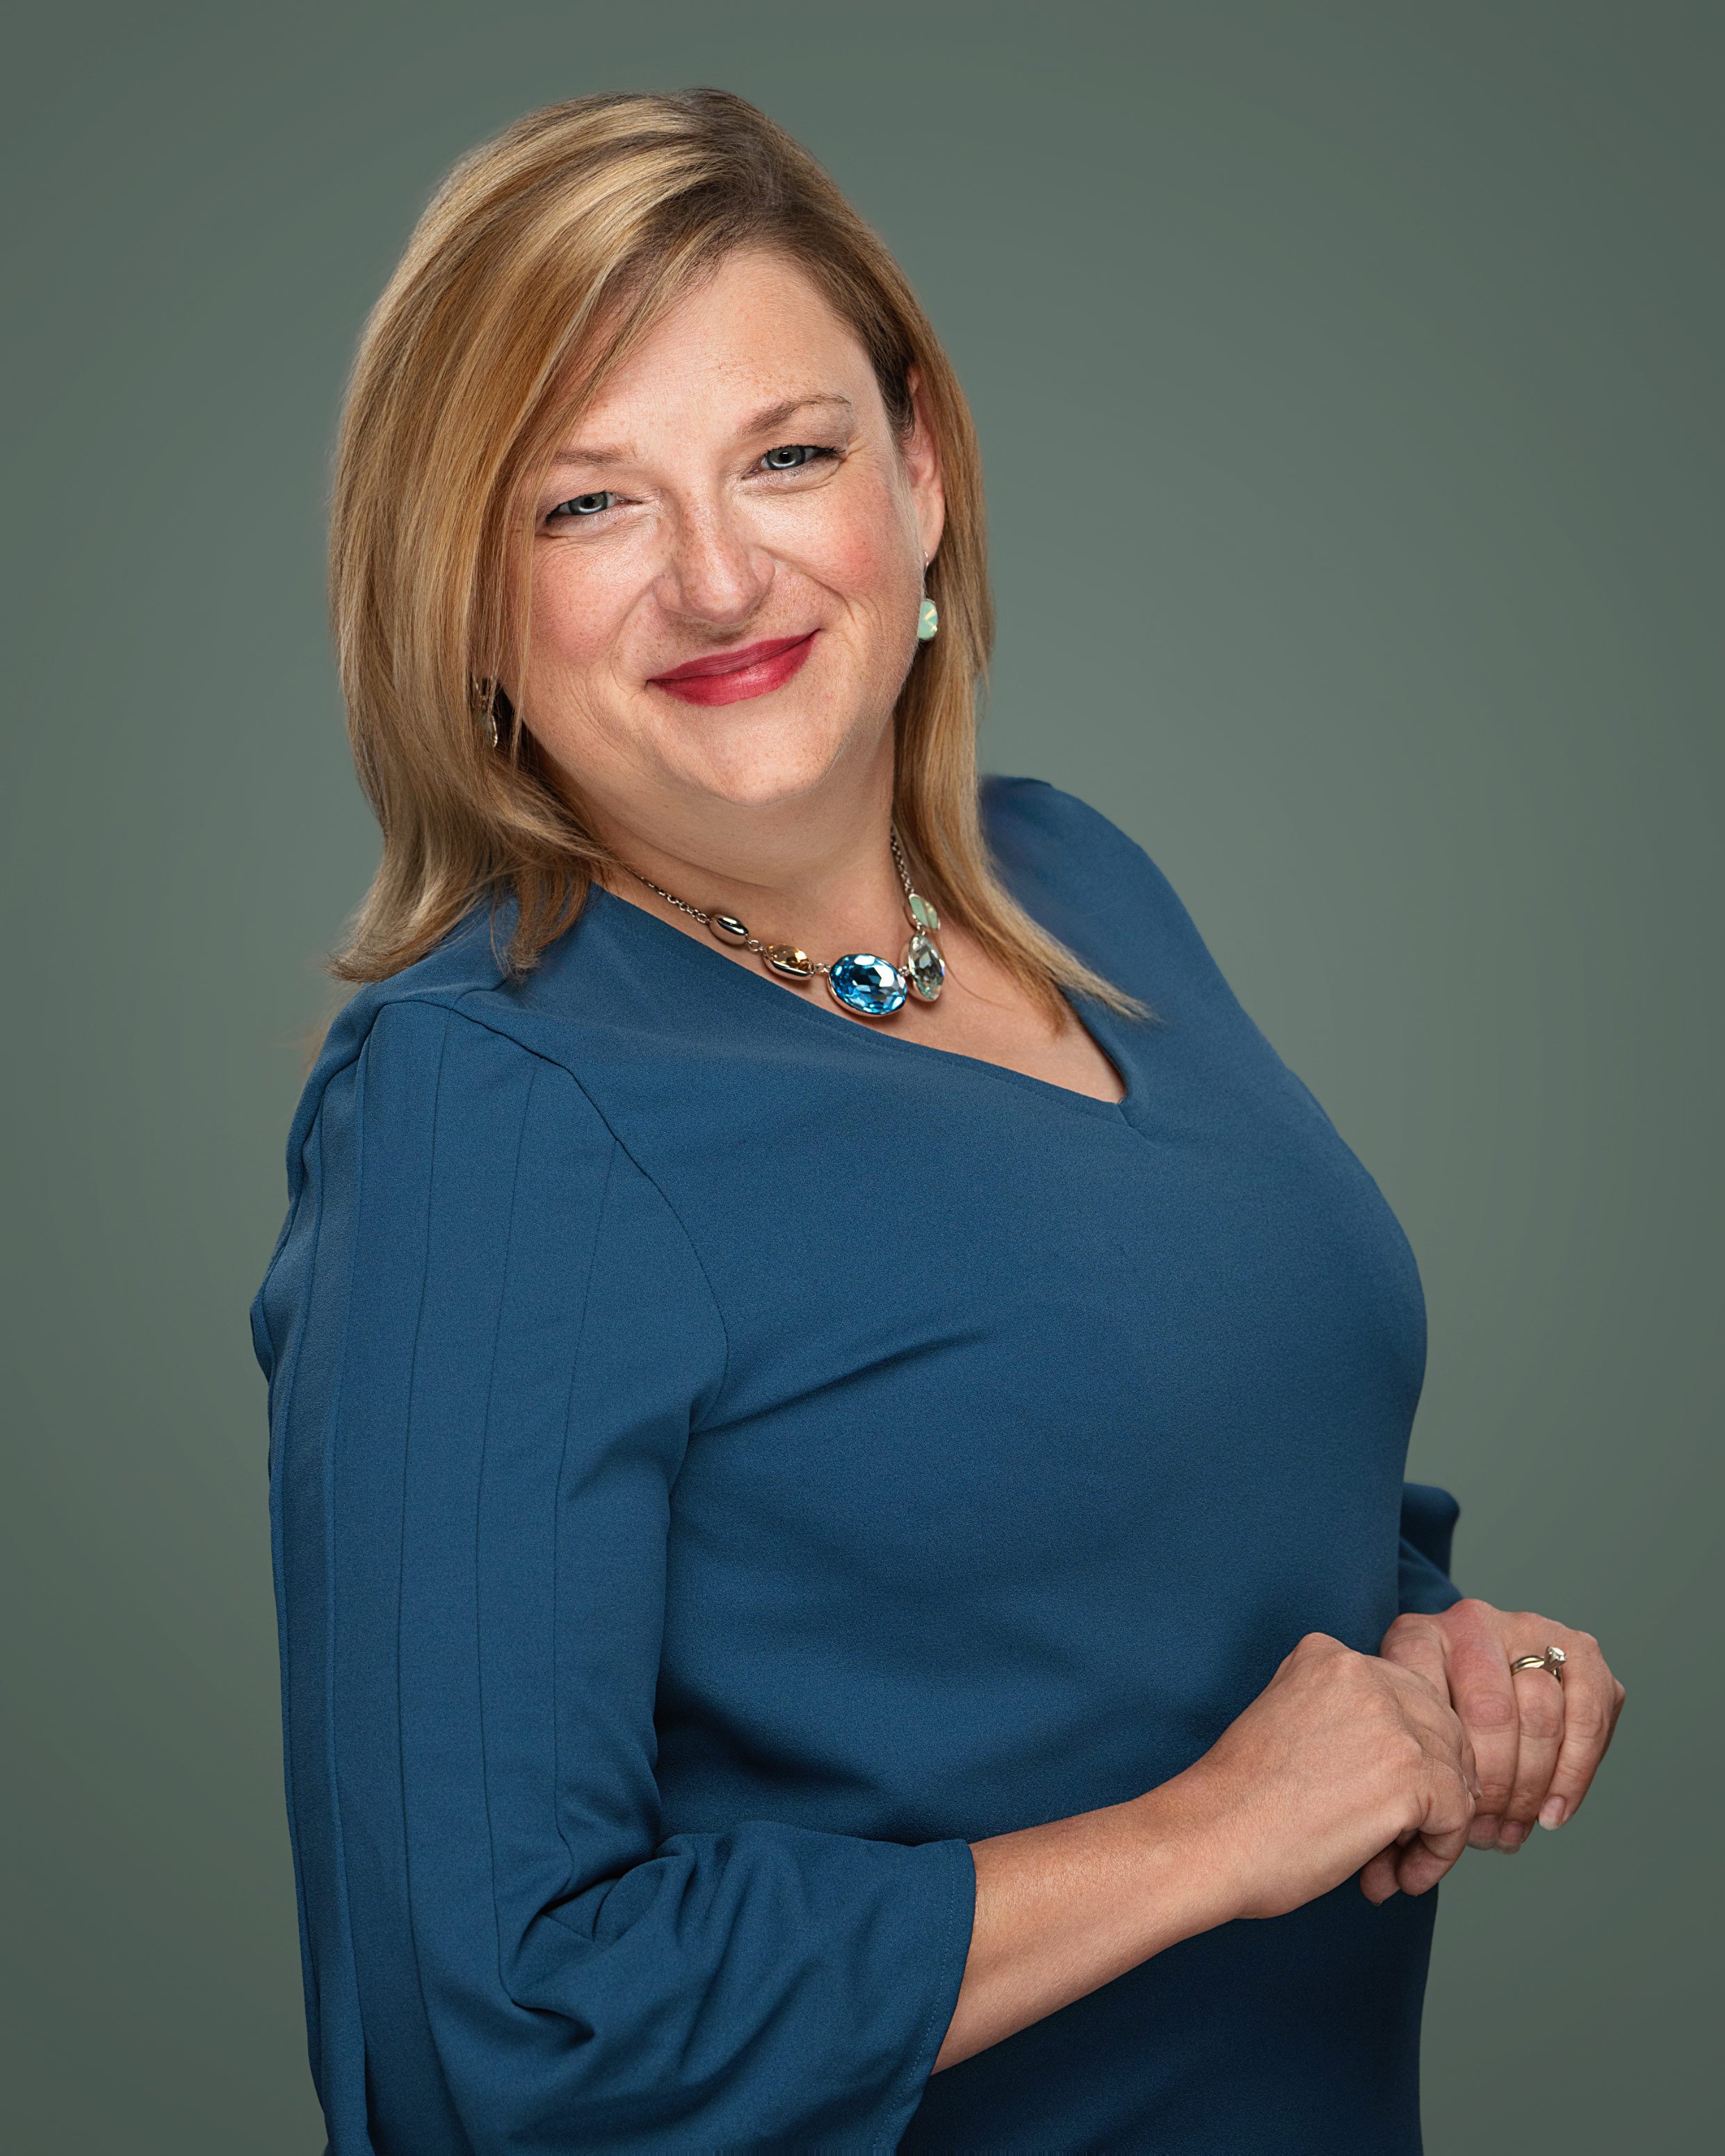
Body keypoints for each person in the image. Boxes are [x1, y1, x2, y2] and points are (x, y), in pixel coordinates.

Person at [252, 88, 1626, 2154]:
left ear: (919, 473)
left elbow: (1156, 1507)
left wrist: (1437, 1647)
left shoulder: (1078, 883)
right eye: (584, 505)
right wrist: (1200, 1839)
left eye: (785, 456)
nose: (718, 579)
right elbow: (497, 2035)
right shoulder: (488, 1111)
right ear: (460, 600)